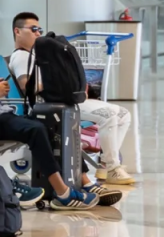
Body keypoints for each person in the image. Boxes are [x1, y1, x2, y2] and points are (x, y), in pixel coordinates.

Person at [10, 13, 134, 197]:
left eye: (40, 29)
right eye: (34, 29)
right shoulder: (21, 56)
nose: (38, 33)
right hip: (53, 104)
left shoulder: (38, 55)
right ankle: (112, 167)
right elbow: (26, 85)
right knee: (109, 115)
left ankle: (105, 164)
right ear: (17, 31)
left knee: (124, 114)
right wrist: (59, 82)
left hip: (63, 101)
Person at [0, 77, 99, 210]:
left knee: (50, 124)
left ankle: (84, 180)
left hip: (6, 114)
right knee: (36, 130)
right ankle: (63, 193)